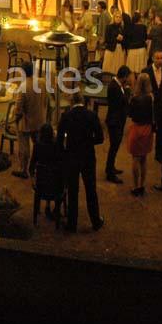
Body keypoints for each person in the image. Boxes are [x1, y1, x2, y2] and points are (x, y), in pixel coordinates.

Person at [57, 92, 105, 232]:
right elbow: (100, 138)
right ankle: (95, 221)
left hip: (71, 157)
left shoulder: (66, 117)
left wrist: (64, 153)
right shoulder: (91, 116)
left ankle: (72, 224)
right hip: (88, 157)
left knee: (73, 191)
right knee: (91, 190)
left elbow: (60, 140)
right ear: (83, 102)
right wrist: (88, 142)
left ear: (72, 103)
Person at [12, 61, 46, 179]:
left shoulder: (23, 87)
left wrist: (14, 120)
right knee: (38, 145)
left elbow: (18, 109)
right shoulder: (42, 82)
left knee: (24, 148)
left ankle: (24, 169)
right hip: (39, 120)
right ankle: (38, 166)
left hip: (26, 123)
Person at [126, 73, 154, 197]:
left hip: (137, 128)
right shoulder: (150, 98)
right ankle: (142, 185)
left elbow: (130, 114)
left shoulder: (134, 98)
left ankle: (135, 185)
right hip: (147, 129)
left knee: (135, 159)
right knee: (144, 159)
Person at [104, 65, 131, 183]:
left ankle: (111, 167)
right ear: (124, 77)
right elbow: (122, 102)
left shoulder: (118, 85)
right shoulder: (114, 87)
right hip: (114, 121)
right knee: (113, 147)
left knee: (115, 147)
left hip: (118, 120)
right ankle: (109, 172)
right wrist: (128, 91)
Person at [29, 122, 61, 221]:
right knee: (56, 177)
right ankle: (56, 208)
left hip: (41, 183)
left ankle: (45, 206)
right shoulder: (56, 146)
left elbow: (31, 167)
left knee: (45, 176)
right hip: (54, 183)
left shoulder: (37, 146)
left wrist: (33, 180)